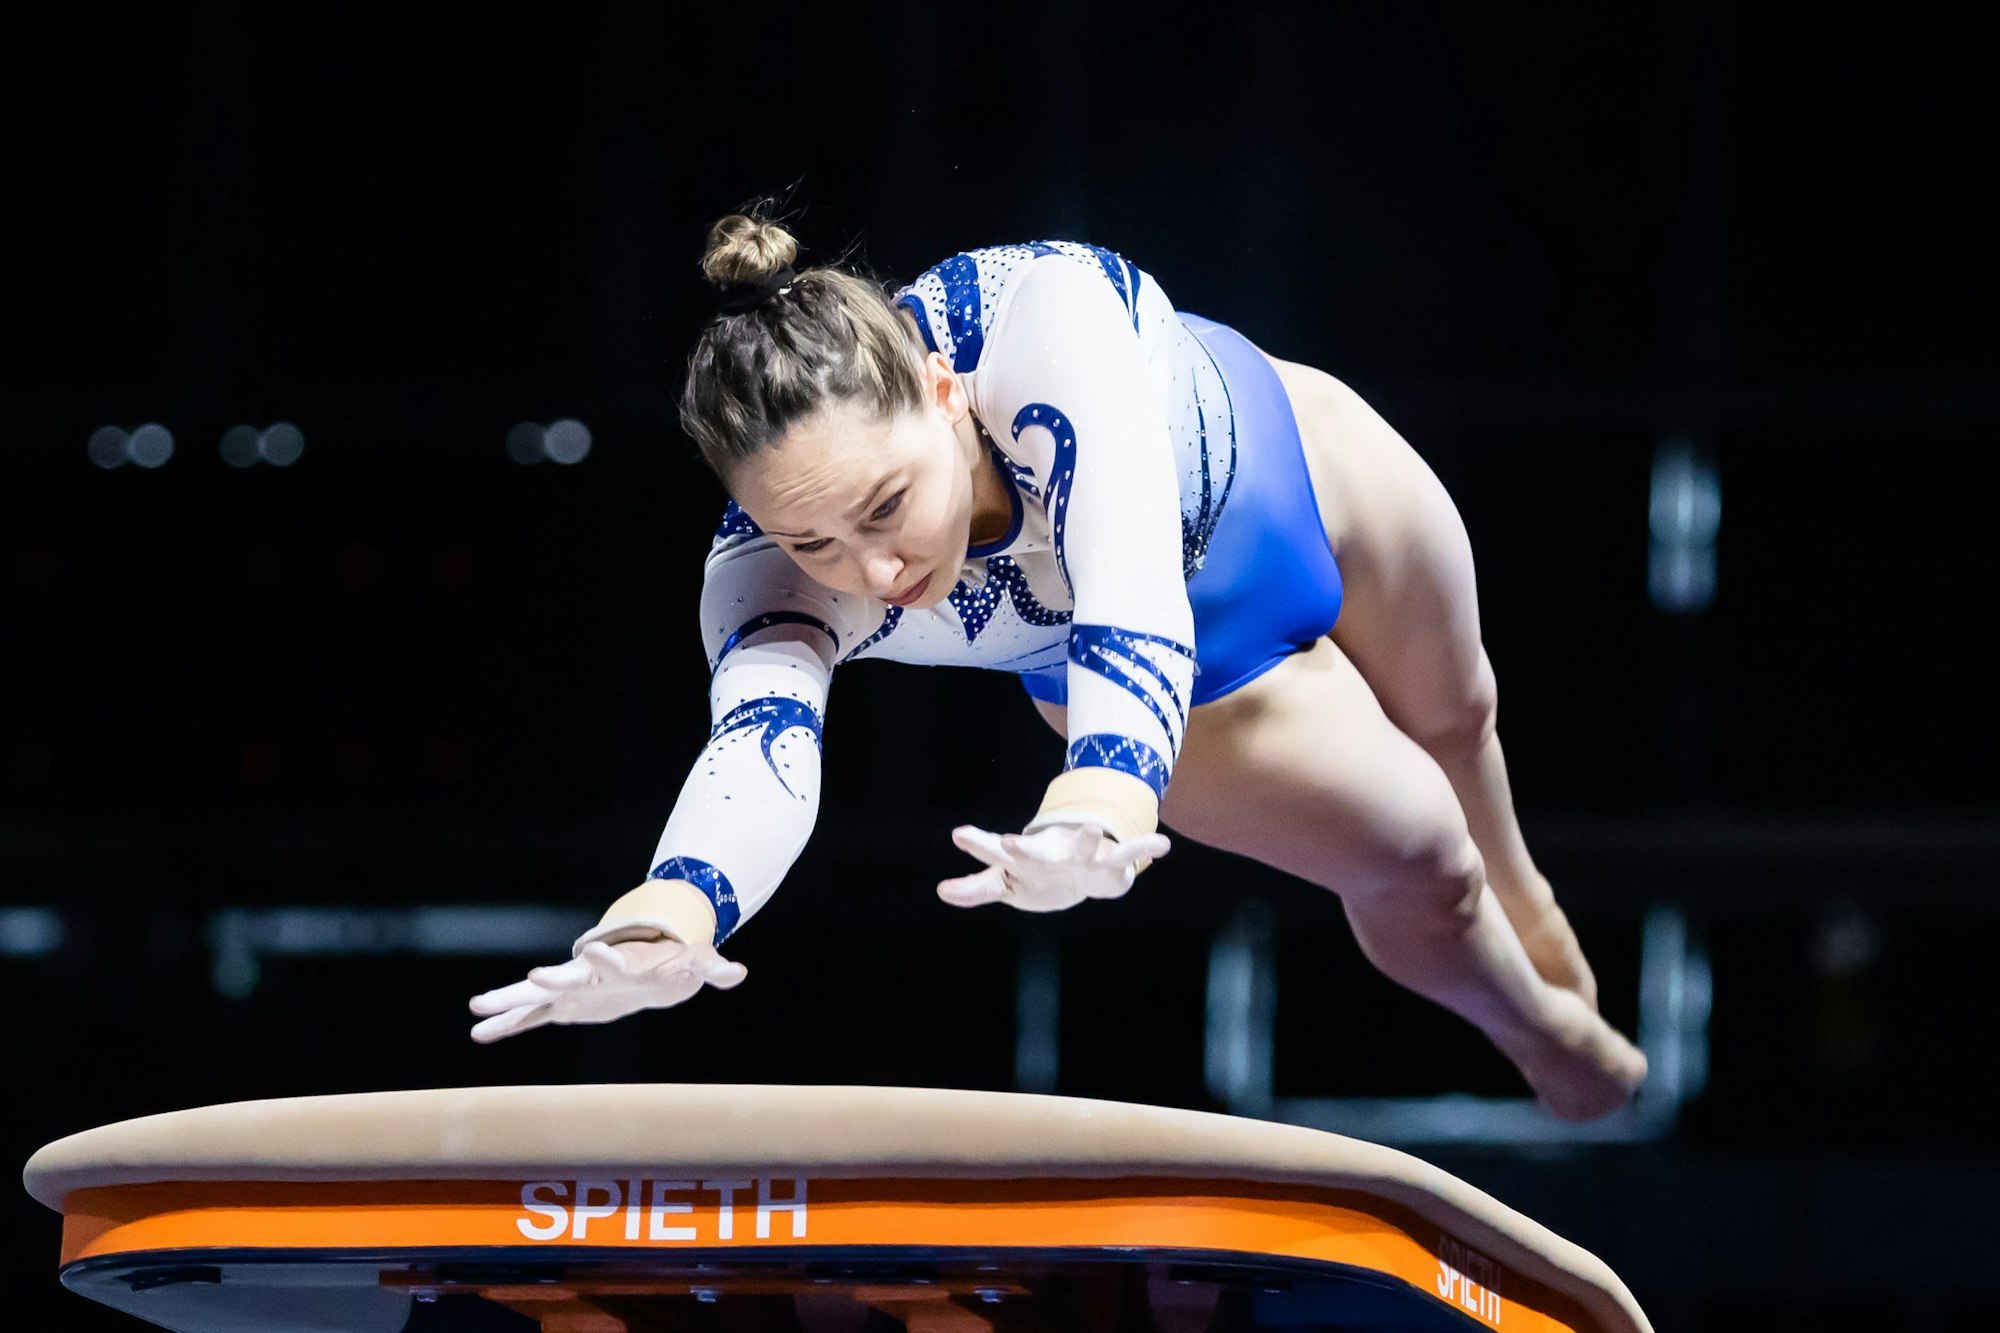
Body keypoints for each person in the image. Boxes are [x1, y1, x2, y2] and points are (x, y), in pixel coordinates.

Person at [469, 212, 1648, 1122]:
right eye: (812, 540)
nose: (872, 571)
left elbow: (1128, 577)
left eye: (887, 506)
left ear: (943, 392)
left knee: (1459, 713)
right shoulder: (758, 578)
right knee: (1425, 863)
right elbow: (756, 751)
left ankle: (1527, 885)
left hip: (1298, 460)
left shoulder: (1042, 321)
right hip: (1206, 691)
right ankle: (1537, 1031)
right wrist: (662, 917)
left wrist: (1100, 792)